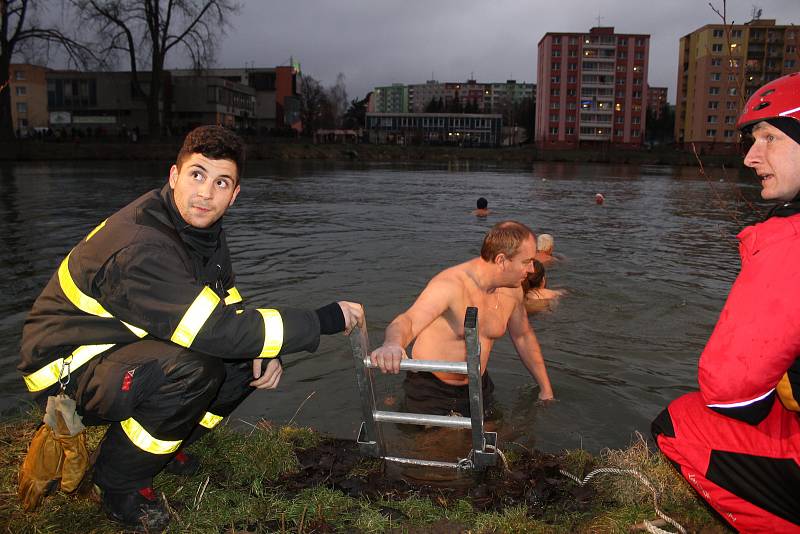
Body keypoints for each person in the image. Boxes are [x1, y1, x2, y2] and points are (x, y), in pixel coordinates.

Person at [17, 126, 364, 530]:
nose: (205, 193)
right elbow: (216, 331)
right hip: (69, 366)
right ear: (174, 176)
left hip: (125, 345)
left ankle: (165, 446)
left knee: (240, 365)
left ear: (234, 195)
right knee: (195, 369)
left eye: (221, 182)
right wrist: (324, 319)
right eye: (197, 175)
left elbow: (225, 304)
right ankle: (118, 482)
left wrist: (265, 349)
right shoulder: (143, 245)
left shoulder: (202, 231)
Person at [651, 73, 800, 533]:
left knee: (678, 421)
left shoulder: (790, 240)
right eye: (752, 140)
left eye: (770, 138)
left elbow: (733, 395)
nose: (752, 156)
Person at [370, 221, 554, 418]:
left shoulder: (514, 289)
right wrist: (392, 344)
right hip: (431, 387)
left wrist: (546, 390)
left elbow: (523, 336)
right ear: (501, 260)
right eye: (526, 262)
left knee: (494, 440)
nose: (533, 270)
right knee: (438, 446)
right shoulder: (451, 285)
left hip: (477, 383)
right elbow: (409, 320)